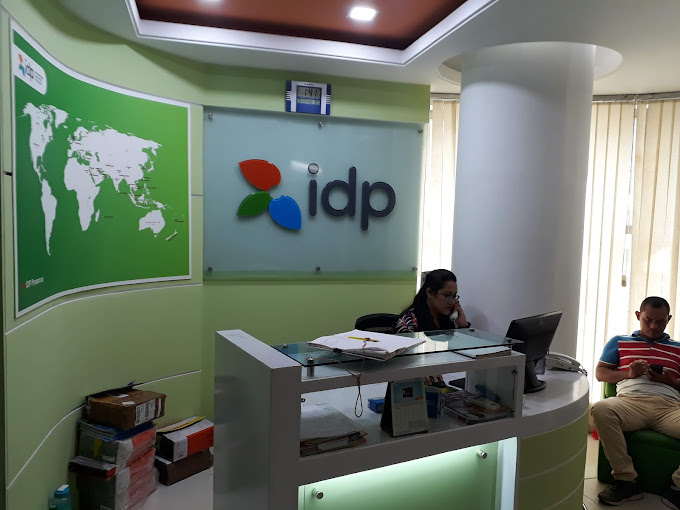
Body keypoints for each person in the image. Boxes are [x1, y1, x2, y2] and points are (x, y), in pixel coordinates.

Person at [592, 296, 680, 507]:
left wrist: (670, 381)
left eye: (660, 321)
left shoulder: (678, 348)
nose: (653, 326)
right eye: (648, 320)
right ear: (638, 315)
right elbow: (601, 373)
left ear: (668, 319)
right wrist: (629, 374)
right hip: (630, 403)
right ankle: (626, 479)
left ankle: (677, 486)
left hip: (669, 407)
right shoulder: (619, 341)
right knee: (601, 408)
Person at [394, 269, 470, 333]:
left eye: (454, 296)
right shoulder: (409, 322)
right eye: (447, 296)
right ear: (429, 292)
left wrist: (463, 326)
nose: (452, 302)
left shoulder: (447, 319)